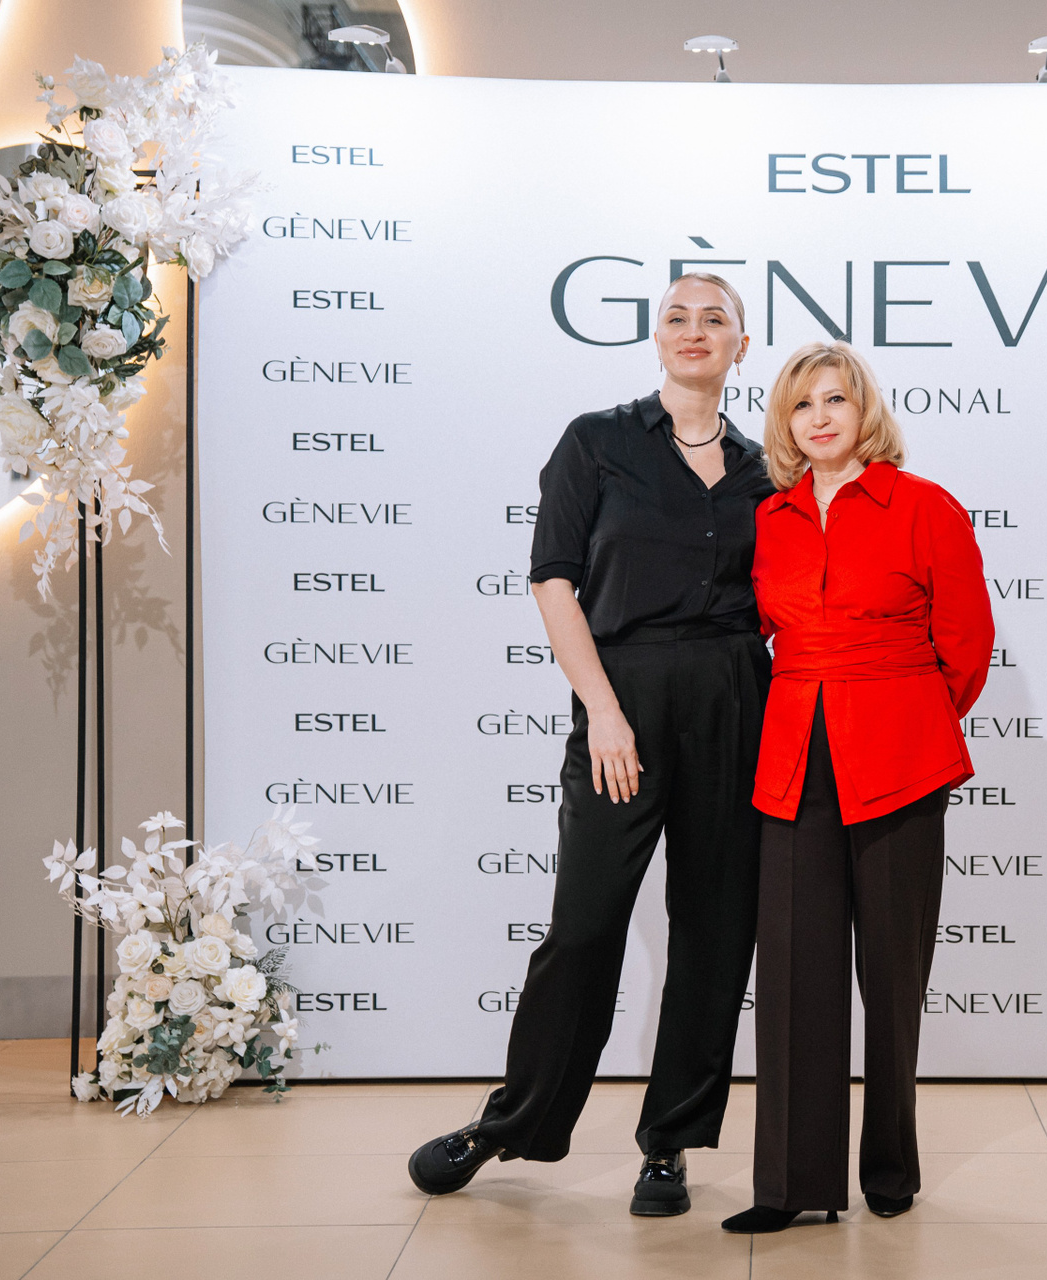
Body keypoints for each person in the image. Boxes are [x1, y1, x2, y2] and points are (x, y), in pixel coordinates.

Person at [407, 274, 775, 1218]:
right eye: (677, 317)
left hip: (737, 699)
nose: (694, 331)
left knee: (715, 931)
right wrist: (603, 710)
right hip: (623, 698)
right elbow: (554, 581)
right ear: (657, 338)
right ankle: (511, 1123)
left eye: (716, 320)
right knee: (583, 928)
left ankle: (671, 1146)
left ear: (741, 345)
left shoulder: (765, 465)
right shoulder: (597, 441)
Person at [721, 342, 995, 1233]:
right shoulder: (770, 518)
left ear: (863, 409)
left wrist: (904, 715)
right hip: (794, 756)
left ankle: (890, 1167)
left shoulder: (924, 506)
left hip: (900, 753)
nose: (820, 417)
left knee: (891, 969)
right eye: (802, 405)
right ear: (786, 423)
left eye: (835, 399)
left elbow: (966, 645)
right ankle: (791, 1186)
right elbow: (757, 633)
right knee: (793, 972)